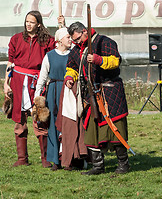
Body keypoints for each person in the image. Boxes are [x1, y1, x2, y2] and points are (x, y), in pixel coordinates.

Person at [64, 21, 129, 175]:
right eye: (74, 40)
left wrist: (99, 60)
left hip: (110, 91)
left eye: (78, 39)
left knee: (116, 126)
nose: (77, 42)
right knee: (92, 128)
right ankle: (98, 166)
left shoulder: (104, 42)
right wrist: (69, 77)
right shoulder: (77, 50)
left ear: (85, 32)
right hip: (91, 94)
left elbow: (115, 61)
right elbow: (72, 67)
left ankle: (123, 165)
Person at [4, 11, 56, 167]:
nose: (28, 24)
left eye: (32, 22)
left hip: (37, 82)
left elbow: (59, 49)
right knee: (20, 121)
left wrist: (62, 25)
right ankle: (22, 159)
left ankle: (45, 158)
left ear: (38, 24)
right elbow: (10, 63)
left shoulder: (47, 41)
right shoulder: (16, 39)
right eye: (27, 21)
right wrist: (6, 84)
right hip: (18, 82)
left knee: (40, 119)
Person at [34, 27, 73, 170]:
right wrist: (37, 98)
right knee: (53, 125)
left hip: (69, 92)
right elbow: (42, 78)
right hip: (54, 91)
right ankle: (55, 160)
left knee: (69, 124)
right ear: (60, 40)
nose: (70, 39)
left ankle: (68, 159)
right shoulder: (49, 56)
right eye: (67, 37)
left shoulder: (73, 54)